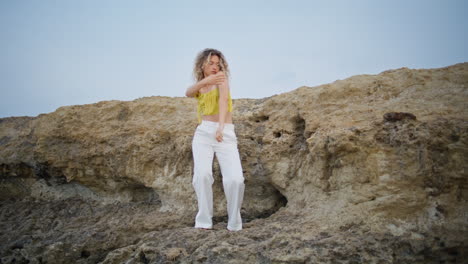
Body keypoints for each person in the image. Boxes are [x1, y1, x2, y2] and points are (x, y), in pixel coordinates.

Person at [185, 48, 245, 231]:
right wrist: (206, 80)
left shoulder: (221, 78)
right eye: (210, 63)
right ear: (202, 64)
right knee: (201, 176)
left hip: (224, 132)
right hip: (203, 133)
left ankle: (234, 222)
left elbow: (223, 102)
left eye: (217, 63)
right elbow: (188, 92)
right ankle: (204, 221)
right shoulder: (202, 84)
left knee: (235, 179)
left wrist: (220, 127)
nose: (214, 67)